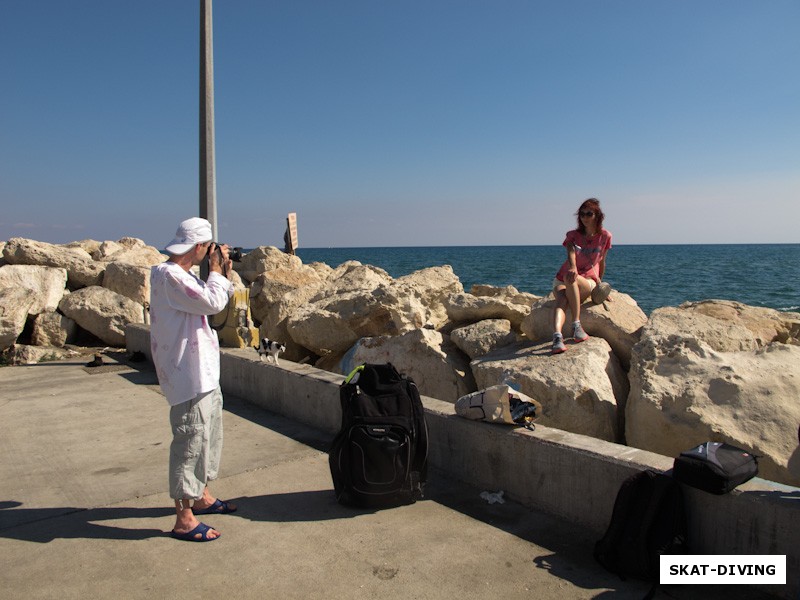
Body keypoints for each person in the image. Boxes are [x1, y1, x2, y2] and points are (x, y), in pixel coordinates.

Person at [149, 217, 237, 542]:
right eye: (208, 249)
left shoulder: (183, 276)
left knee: (207, 438)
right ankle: (183, 518)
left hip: (204, 373)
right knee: (189, 443)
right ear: (199, 246)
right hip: (187, 374)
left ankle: (200, 496)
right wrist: (216, 271)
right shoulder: (169, 275)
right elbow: (213, 302)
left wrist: (222, 273)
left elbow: (213, 301)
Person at [551, 198, 612, 354]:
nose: (585, 217)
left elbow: (602, 261)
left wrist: (601, 286)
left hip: (587, 280)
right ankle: (558, 336)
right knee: (562, 299)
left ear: (597, 215)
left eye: (589, 214)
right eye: (582, 214)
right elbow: (570, 252)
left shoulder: (605, 236)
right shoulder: (573, 235)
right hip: (564, 278)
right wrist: (572, 268)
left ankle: (576, 324)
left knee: (572, 278)